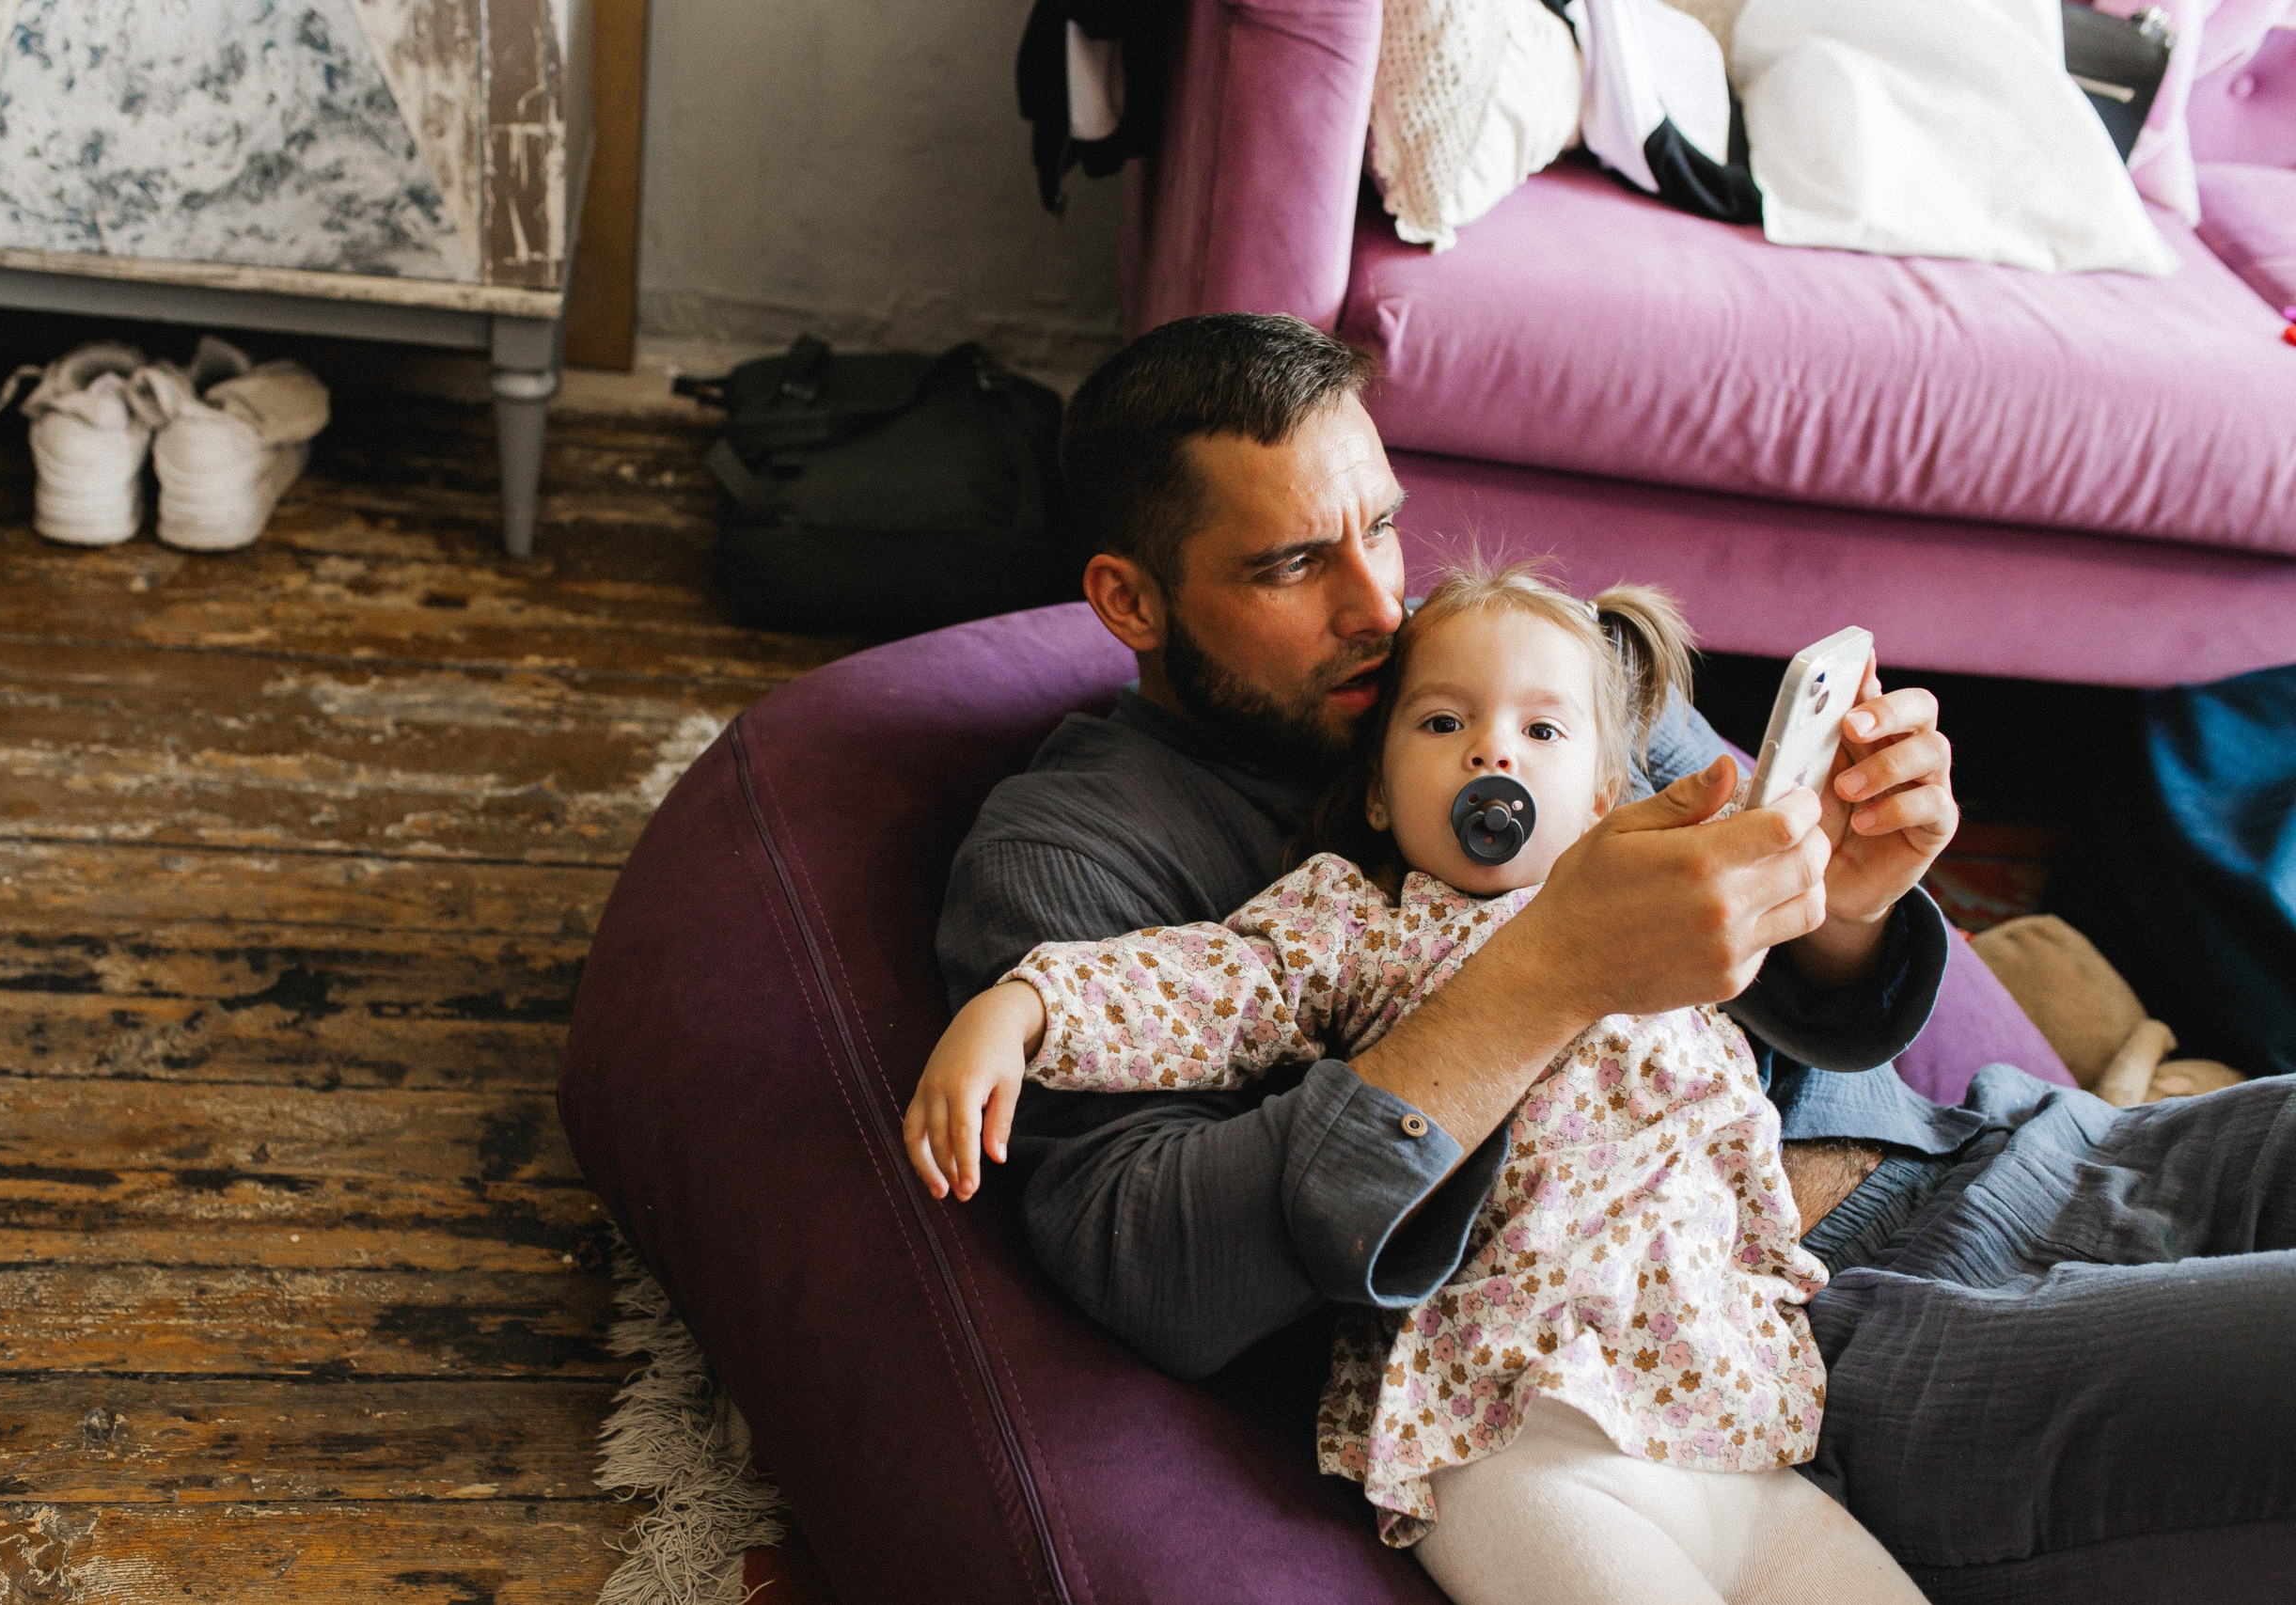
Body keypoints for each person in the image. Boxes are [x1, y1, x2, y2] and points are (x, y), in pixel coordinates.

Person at [935, 312, 2296, 1584]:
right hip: (1774, 1351)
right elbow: (1151, 1257)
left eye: (1382, 528)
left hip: (2003, 1148)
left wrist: (1843, 893)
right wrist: (1549, 973)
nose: (1379, 607)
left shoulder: (1515, 663)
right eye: (1292, 563)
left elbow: (1799, 967)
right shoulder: (1082, 849)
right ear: (1129, 599)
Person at [912, 564, 1932, 1604]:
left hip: (1724, 1410)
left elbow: (1802, 936)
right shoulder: (1358, 921)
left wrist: (1840, 868)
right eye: (1444, 723)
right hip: (1508, 1427)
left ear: (1600, 796)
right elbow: (1206, 984)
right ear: (1377, 790)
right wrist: (1025, 1007)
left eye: (1542, 730)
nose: (1493, 751)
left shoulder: (1674, 901)